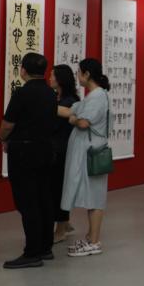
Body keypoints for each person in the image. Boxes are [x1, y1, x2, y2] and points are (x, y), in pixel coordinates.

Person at [0, 53, 58, 269]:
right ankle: (45, 247)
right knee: (44, 198)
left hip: (24, 152)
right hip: (46, 150)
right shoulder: (51, 93)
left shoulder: (22, 93)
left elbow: (8, 124)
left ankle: (32, 252)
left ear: (23, 70)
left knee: (28, 202)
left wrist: (3, 139)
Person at [60, 58, 110, 258]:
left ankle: (94, 242)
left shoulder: (97, 97)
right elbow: (71, 110)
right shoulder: (95, 96)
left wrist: (73, 119)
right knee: (92, 196)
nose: (77, 76)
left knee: (95, 198)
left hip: (92, 153)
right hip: (90, 151)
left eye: (79, 72)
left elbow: (82, 122)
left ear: (87, 74)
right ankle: (91, 237)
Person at [49, 64, 79, 244]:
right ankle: (65, 223)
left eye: (53, 75)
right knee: (54, 188)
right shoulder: (56, 97)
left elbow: (67, 115)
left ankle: (60, 229)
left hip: (63, 151)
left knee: (59, 190)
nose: (50, 78)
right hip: (53, 149)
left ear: (60, 79)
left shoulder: (70, 101)